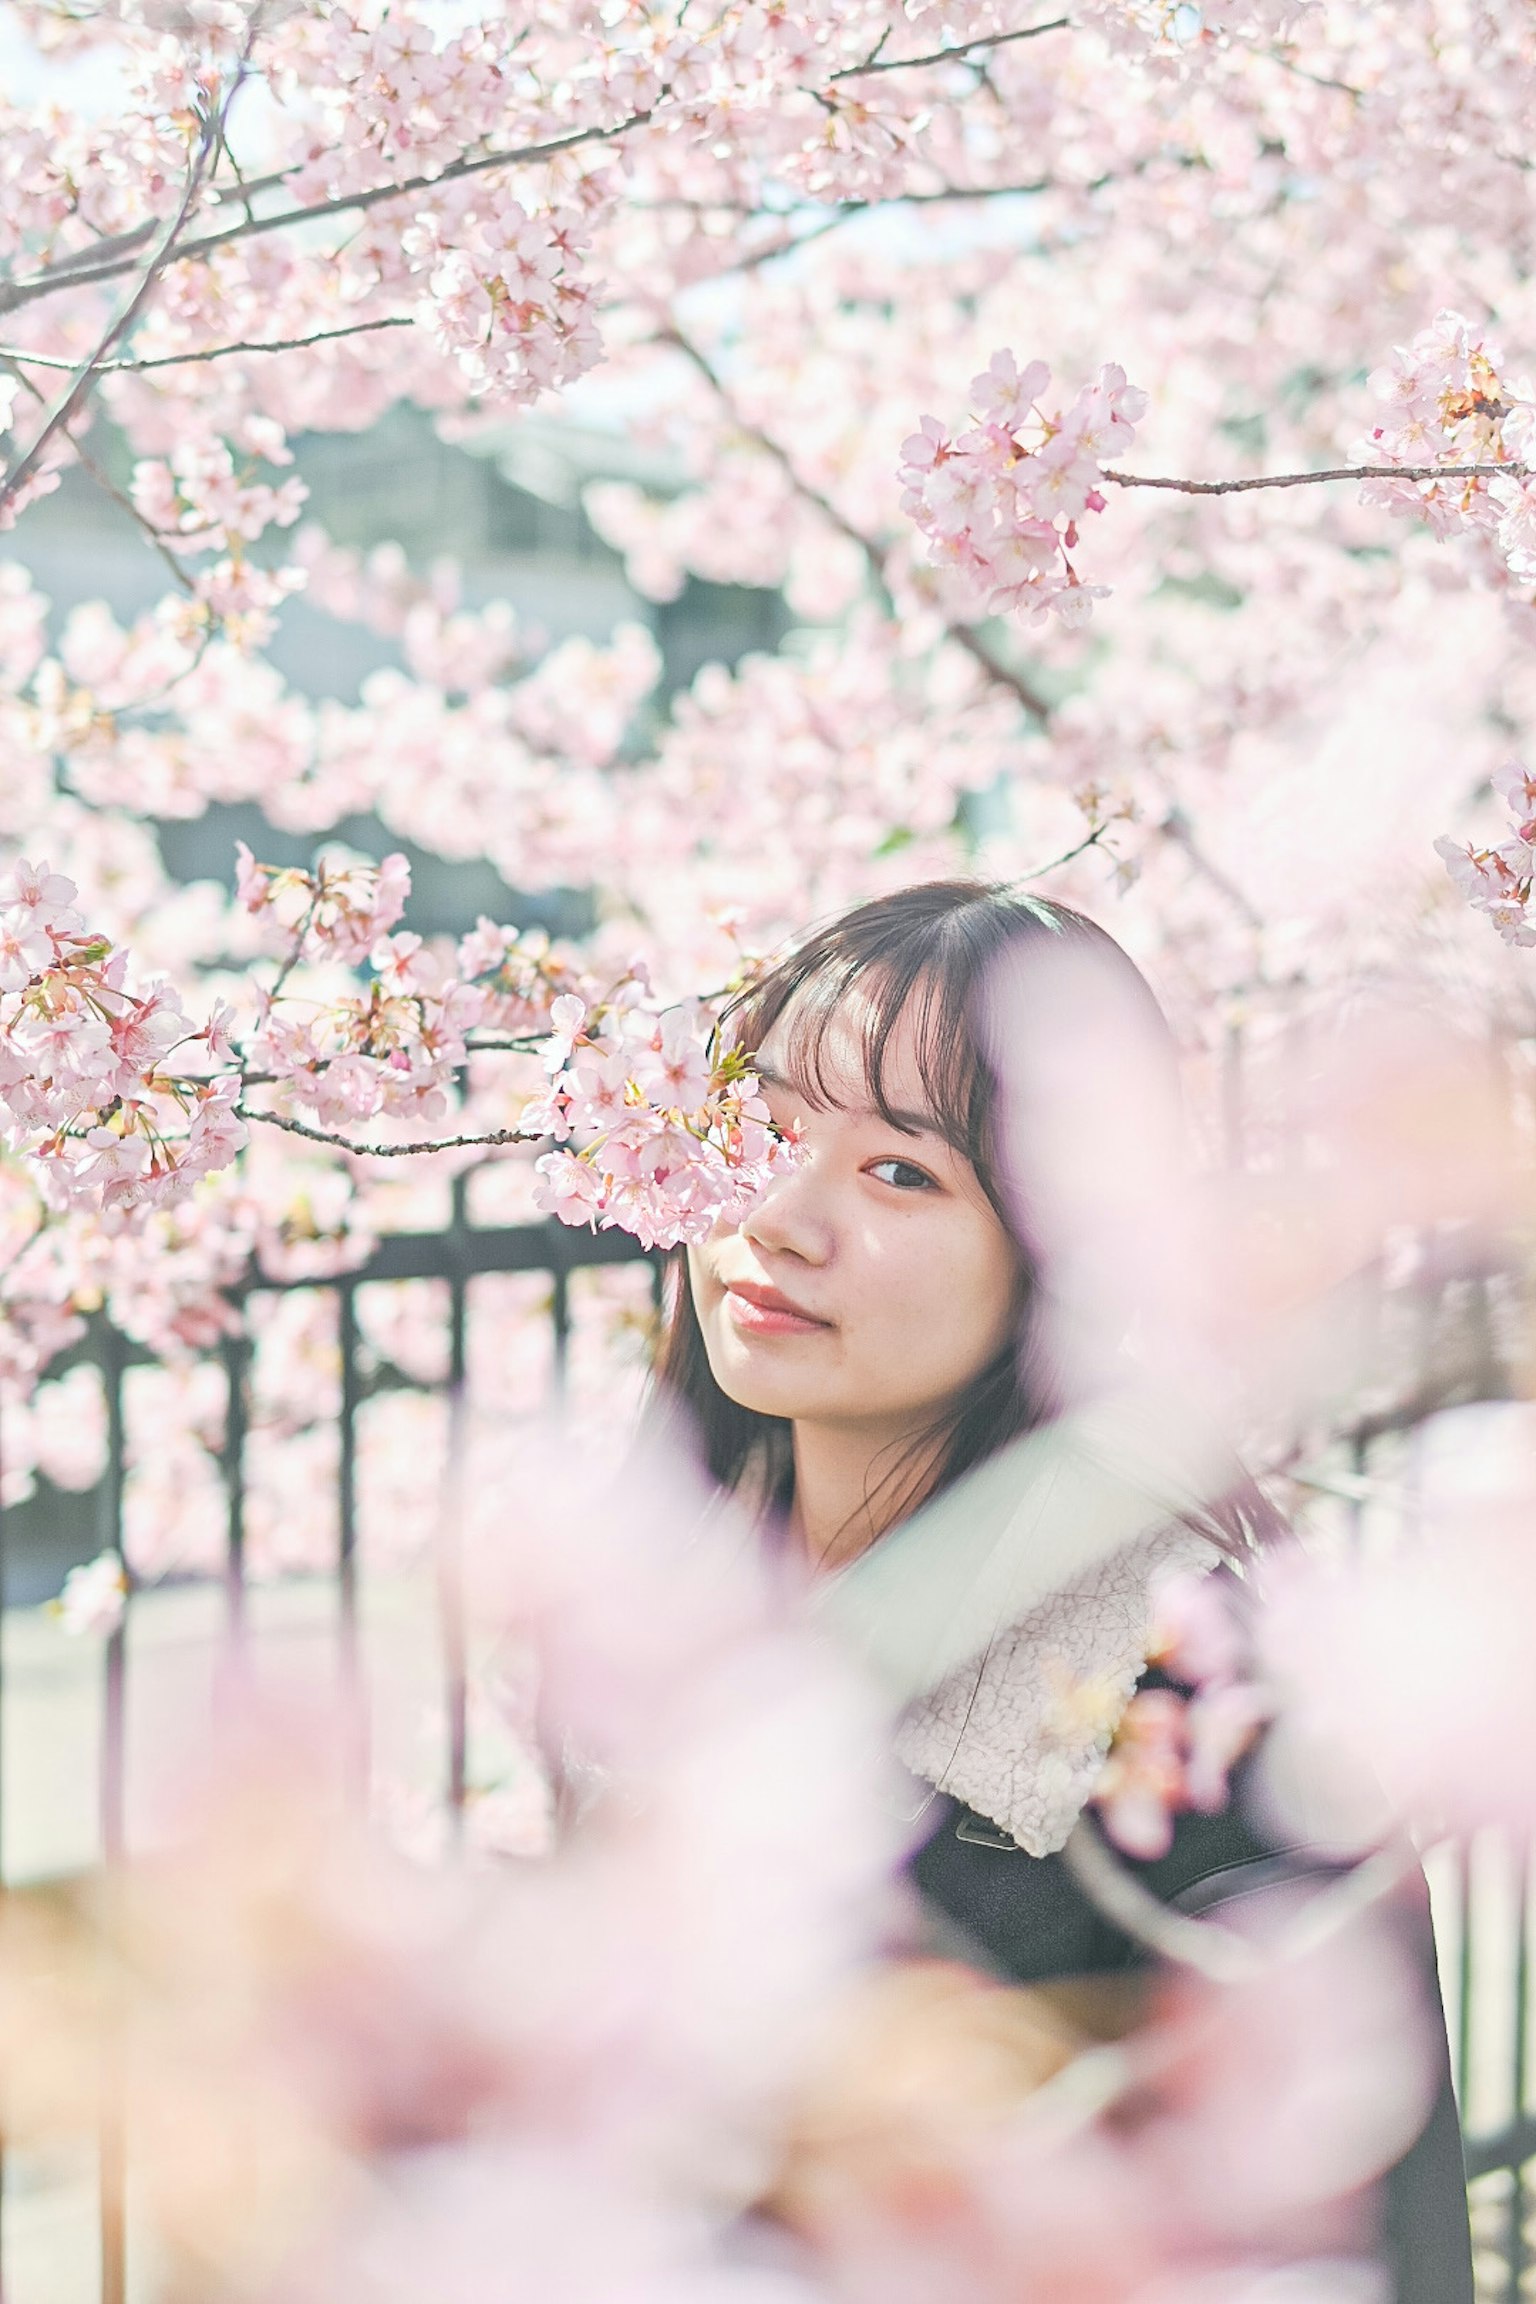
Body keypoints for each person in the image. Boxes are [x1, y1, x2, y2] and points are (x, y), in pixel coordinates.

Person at [654, 877, 1474, 2303]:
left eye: (901, 1171)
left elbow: (1342, 2232)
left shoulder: (1205, 1700)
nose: (779, 1217)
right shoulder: (676, 1598)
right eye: (765, 1128)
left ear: (1057, 1255)